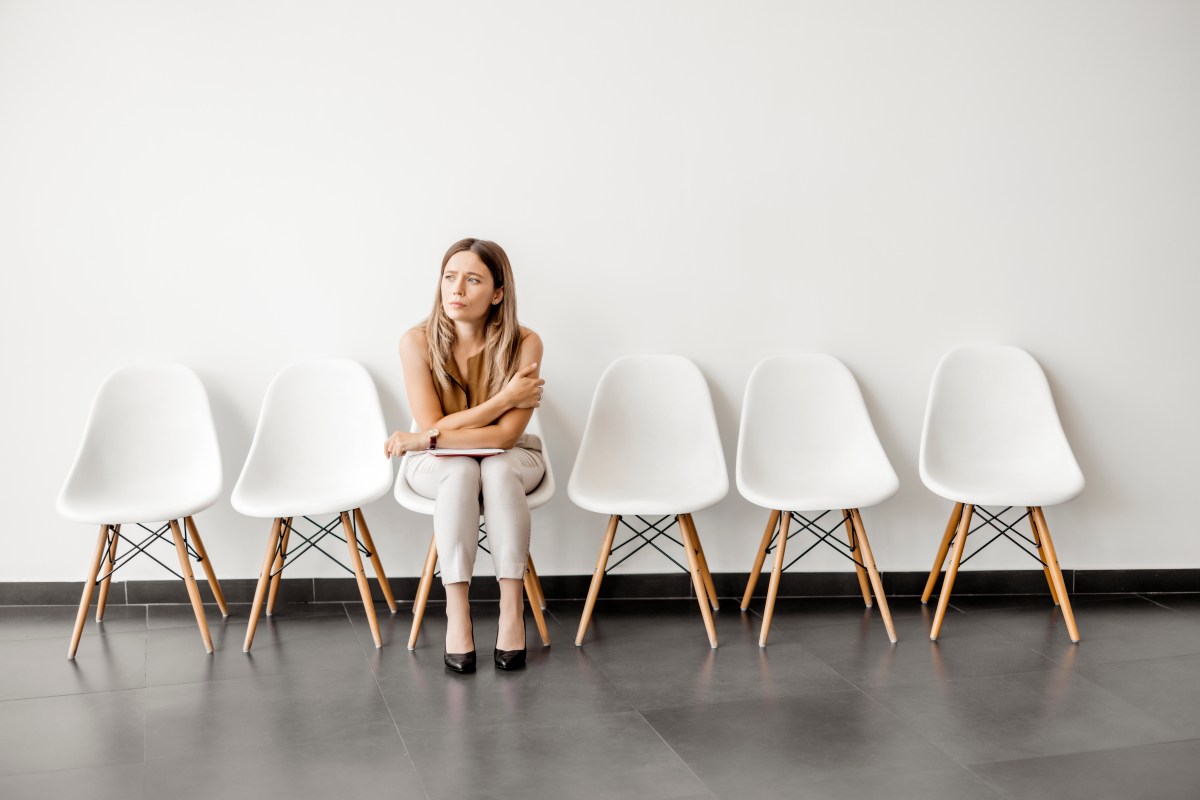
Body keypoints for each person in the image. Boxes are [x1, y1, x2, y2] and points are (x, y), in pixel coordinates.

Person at [385, 238, 545, 673]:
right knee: (459, 472)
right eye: (449, 277)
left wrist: (426, 437)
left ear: (497, 294)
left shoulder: (526, 342)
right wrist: (503, 398)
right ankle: (458, 614)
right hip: (437, 461)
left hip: (501, 458)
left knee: (495, 467)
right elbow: (433, 418)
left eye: (472, 280)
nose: (456, 289)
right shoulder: (416, 341)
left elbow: (508, 436)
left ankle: (511, 612)